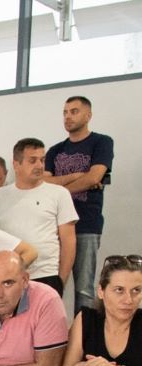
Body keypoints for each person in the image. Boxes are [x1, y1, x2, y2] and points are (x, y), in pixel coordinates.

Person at [0, 138, 78, 294]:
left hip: (46, 275)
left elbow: (69, 241)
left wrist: (61, 280)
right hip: (6, 278)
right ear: (16, 164)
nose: (39, 165)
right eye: (32, 160)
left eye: (42, 160)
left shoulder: (59, 194)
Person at [45, 96, 115, 313]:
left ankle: (83, 332)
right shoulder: (55, 150)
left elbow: (94, 177)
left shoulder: (101, 142)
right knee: (52, 285)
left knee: (84, 288)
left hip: (86, 224)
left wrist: (59, 189)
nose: (68, 116)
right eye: (65, 112)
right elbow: (44, 182)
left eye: (74, 111)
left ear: (88, 115)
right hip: (55, 227)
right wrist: (76, 177)